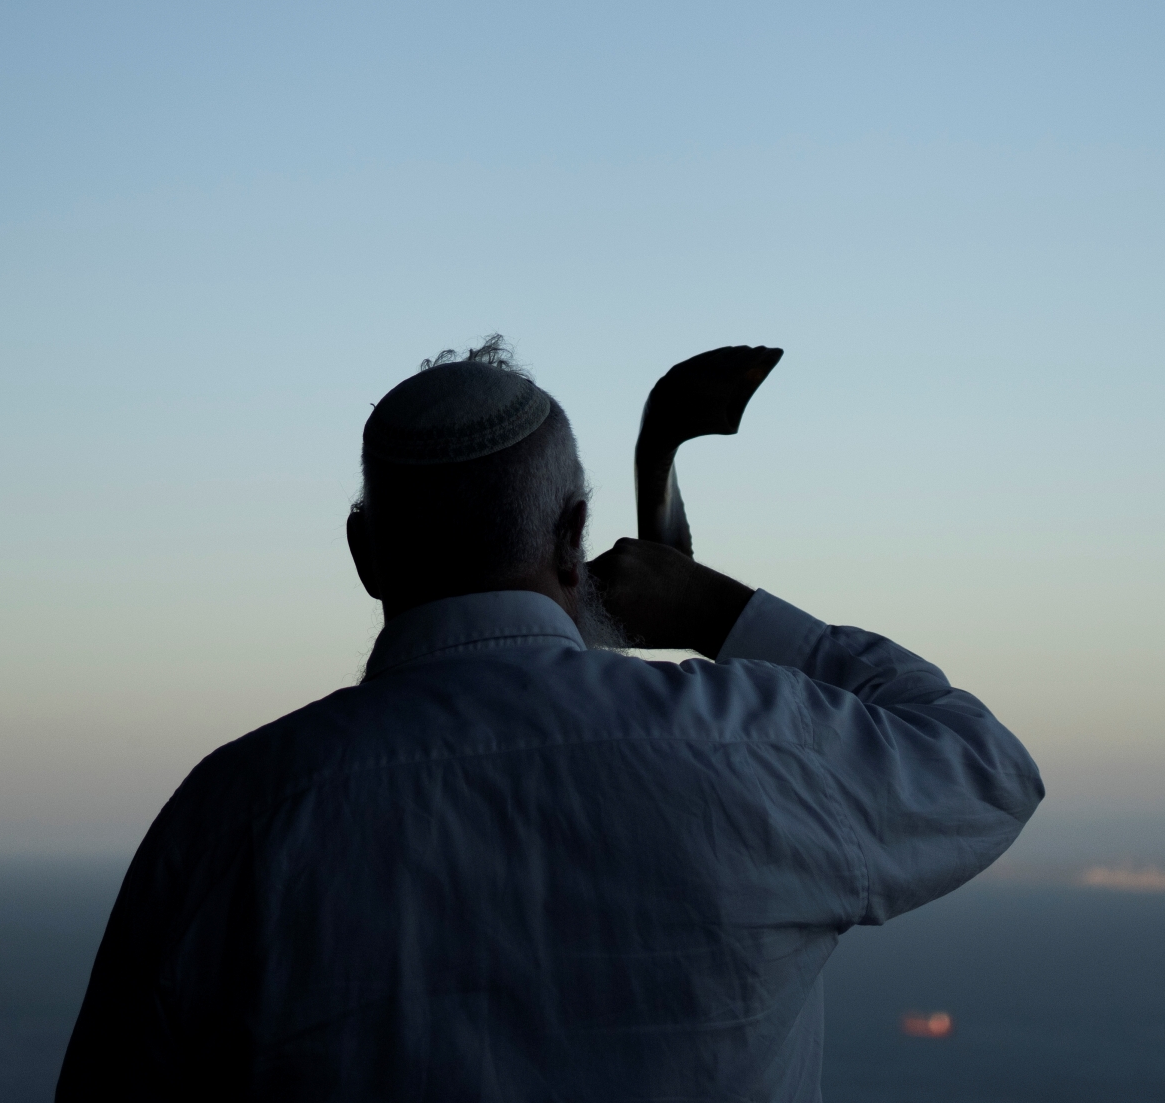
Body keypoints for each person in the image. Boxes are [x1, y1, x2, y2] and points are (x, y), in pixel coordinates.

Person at [55, 337, 1044, 1102]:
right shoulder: (753, 751)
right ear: (571, 535)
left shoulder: (233, 816)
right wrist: (716, 610)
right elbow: (982, 763)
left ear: (365, 554)